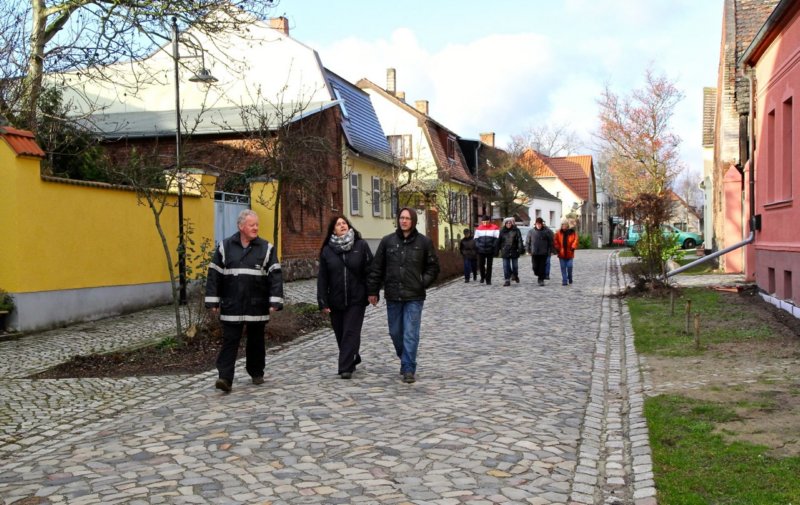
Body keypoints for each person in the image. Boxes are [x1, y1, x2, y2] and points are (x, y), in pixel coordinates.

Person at [205, 209, 284, 393]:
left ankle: (256, 372)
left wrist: (275, 301)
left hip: (256, 303)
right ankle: (225, 378)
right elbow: (214, 274)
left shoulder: (266, 248)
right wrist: (213, 301)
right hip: (232, 303)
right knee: (230, 340)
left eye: (257, 224)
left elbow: (275, 275)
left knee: (256, 341)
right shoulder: (225, 247)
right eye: (252, 225)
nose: (256, 228)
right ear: (241, 226)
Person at [367, 207, 439, 384]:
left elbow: (433, 267)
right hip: (393, 295)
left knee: (410, 333)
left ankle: (408, 367)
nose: (404, 221)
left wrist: (423, 282)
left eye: (407, 218)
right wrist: (373, 290)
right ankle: (405, 357)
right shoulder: (387, 242)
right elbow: (377, 268)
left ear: (413, 221)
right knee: (395, 332)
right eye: (401, 218)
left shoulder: (424, 243)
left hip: (414, 296)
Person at [317, 216, 373, 379]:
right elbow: (323, 277)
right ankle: (353, 356)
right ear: (333, 230)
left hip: (357, 298)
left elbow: (370, 270)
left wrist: (372, 292)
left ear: (349, 227)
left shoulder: (360, 245)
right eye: (338, 224)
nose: (342, 225)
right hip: (335, 298)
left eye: (344, 223)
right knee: (340, 333)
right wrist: (322, 300)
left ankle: (345, 368)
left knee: (350, 331)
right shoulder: (327, 250)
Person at [525, 217, 554, 286]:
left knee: (542, 267)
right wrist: (527, 250)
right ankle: (538, 274)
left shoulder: (546, 232)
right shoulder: (531, 232)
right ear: (535, 224)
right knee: (535, 267)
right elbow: (527, 242)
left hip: (543, 252)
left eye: (540, 224)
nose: (538, 225)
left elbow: (551, 242)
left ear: (542, 224)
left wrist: (552, 251)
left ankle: (541, 280)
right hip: (534, 252)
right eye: (537, 224)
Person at [497, 217, 524, 286]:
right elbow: (499, 241)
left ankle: (515, 275)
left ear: (512, 223)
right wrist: (497, 250)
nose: (509, 224)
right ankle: (507, 280)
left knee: (515, 266)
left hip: (514, 250)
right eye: (507, 223)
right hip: (505, 250)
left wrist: (520, 249)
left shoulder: (516, 230)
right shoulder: (502, 231)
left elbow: (519, 240)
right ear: (505, 224)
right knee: (506, 266)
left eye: (510, 223)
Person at [474, 215, 499, 285]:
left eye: (486, 221)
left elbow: (497, 239)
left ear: (489, 221)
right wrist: (478, 245)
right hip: (481, 250)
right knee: (481, 265)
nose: (485, 223)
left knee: (489, 266)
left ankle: (488, 280)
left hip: (490, 250)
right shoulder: (479, 228)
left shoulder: (495, 227)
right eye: (483, 221)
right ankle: (482, 277)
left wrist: (493, 245)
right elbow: (476, 238)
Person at [554, 219, 579, 286]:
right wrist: (557, 248)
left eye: (565, 225)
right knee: (563, 267)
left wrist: (573, 247)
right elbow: (555, 241)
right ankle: (564, 280)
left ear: (567, 226)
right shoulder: (558, 233)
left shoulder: (572, 232)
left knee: (569, 266)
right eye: (562, 225)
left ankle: (570, 277)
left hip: (569, 252)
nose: (563, 226)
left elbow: (575, 240)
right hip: (561, 253)